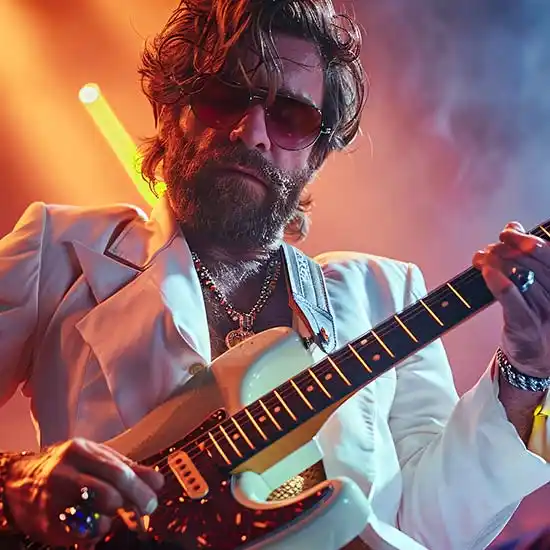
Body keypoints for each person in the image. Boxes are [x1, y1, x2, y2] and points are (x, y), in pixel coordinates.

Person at [0, 0, 549, 548]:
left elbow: (432, 527)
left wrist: (527, 375)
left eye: (291, 116)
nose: (252, 131)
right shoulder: (60, 250)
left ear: (318, 152)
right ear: (171, 111)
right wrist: (14, 482)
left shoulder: (383, 295)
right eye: (224, 97)